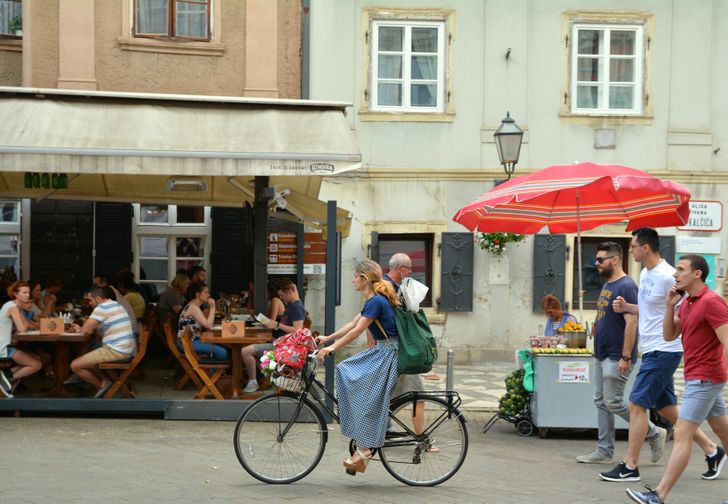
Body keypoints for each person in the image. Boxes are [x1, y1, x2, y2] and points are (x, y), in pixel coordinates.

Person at [601, 229, 718, 482]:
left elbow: (686, 308)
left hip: (665, 350)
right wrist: (628, 307)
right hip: (652, 348)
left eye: (632, 245)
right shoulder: (645, 273)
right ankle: (712, 450)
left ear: (645, 248)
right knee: (666, 408)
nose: (630, 249)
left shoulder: (668, 276)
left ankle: (630, 465)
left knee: (636, 403)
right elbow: (649, 308)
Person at [626, 255, 728, 504]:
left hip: (705, 377)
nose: (675, 274)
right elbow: (669, 334)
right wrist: (670, 305)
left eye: (681, 270)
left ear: (697, 274)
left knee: (682, 432)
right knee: (722, 431)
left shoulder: (712, 301)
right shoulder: (687, 303)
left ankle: (658, 495)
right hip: (698, 375)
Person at [315, 259, 400, 475]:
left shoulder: (376, 301)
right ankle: (362, 446)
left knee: (360, 390)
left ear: (363, 279)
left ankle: (365, 449)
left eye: (355, 276)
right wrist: (328, 338)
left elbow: (357, 331)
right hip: (382, 351)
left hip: (386, 354)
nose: (352, 280)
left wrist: (332, 347)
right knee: (346, 371)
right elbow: (352, 325)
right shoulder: (373, 300)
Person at [577, 241, 639, 464]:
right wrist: (596, 324)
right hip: (601, 353)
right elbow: (607, 314)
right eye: (596, 260)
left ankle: (651, 431)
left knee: (613, 402)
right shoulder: (607, 285)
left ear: (614, 260)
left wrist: (625, 356)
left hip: (616, 355)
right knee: (601, 401)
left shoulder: (627, 286)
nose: (596, 264)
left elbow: (632, 322)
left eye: (600, 260)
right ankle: (604, 450)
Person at [382, 252, 426, 434]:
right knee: (417, 394)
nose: (411, 272)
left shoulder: (389, 287)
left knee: (392, 394)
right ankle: (421, 439)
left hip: (394, 349)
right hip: (400, 349)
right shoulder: (388, 290)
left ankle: (383, 427)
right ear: (400, 269)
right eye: (409, 268)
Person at [69, 285, 137, 398]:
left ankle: (103, 386)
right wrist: (83, 329)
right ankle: (105, 381)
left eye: (90, 300)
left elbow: (86, 331)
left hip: (116, 351)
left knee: (75, 365)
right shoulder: (116, 305)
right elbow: (92, 331)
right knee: (92, 353)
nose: (89, 303)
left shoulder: (102, 308)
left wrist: (83, 328)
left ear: (99, 298)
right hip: (126, 350)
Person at [242, 278, 304, 393]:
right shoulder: (291, 305)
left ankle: (254, 381)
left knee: (245, 351)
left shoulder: (296, 307)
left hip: (284, 347)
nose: (281, 298)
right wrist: (276, 325)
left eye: (282, 295)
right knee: (251, 351)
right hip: (279, 343)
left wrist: (277, 324)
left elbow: (297, 330)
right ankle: (272, 376)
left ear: (290, 291)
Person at [0, 281, 43, 397]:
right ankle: (7, 380)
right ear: (15, 294)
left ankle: (6, 378)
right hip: (3, 348)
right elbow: (22, 329)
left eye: (28, 293)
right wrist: (24, 321)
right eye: (24, 293)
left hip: (7, 345)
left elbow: (24, 327)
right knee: (36, 364)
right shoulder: (13, 307)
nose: (27, 295)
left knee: (37, 358)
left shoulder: (16, 307)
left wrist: (24, 320)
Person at [177, 281, 228, 360]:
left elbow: (207, 325)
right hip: (188, 343)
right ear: (197, 294)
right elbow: (208, 325)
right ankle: (211, 372)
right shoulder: (193, 307)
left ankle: (211, 371)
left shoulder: (193, 306)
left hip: (190, 341)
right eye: (206, 292)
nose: (209, 295)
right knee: (222, 352)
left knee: (222, 347)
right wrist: (213, 307)